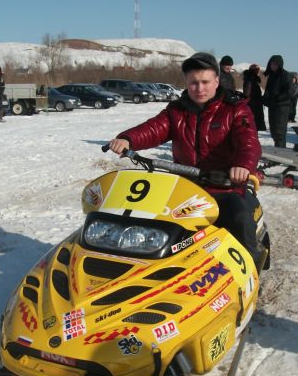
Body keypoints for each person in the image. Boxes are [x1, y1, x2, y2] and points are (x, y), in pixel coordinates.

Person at [105, 52, 265, 269]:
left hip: (224, 188)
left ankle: (251, 274)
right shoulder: (177, 110)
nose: (199, 88)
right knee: (146, 223)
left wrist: (243, 165)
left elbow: (248, 141)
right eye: (193, 83)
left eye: (205, 82)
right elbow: (154, 128)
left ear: (216, 81)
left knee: (240, 220)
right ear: (187, 83)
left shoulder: (235, 109)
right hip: (184, 189)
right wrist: (127, 139)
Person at [262, 55, 293, 147]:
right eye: (272, 63)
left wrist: (278, 99)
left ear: (280, 65)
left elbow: (290, 91)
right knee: (274, 132)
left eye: (276, 64)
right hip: (273, 107)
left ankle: (281, 154)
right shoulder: (272, 76)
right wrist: (265, 99)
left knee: (279, 133)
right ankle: (278, 151)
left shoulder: (285, 75)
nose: (273, 66)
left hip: (282, 107)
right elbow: (269, 91)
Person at [242, 64, 266, 131]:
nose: (258, 71)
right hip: (252, 106)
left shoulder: (253, 79)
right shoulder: (250, 79)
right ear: (254, 71)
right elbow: (247, 93)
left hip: (255, 105)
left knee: (254, 126)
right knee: (252, 126)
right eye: (257, 70)